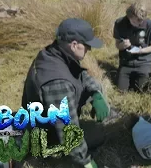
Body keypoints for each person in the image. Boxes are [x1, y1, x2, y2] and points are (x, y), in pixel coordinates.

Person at [21, 18, 111, 168]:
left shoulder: (52, 54)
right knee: (98, 133)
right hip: (46, 137)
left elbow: (79, 74)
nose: (90, 49)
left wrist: (96, 92)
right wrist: (86, 162)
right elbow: (68, 132)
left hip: (42, 125)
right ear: (74, 45)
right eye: (87, 45)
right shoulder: (58, 84)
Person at [113, 2, 151, 92]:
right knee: (121, 90)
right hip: (126, 63)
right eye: (135, 21)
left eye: (141, 21)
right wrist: (122, 45)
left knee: (141, 90)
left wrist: (141, 51)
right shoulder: (120, 23)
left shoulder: (150, 25)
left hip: (143, 62)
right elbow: (117, 44)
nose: (138, 24)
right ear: (129, 16)